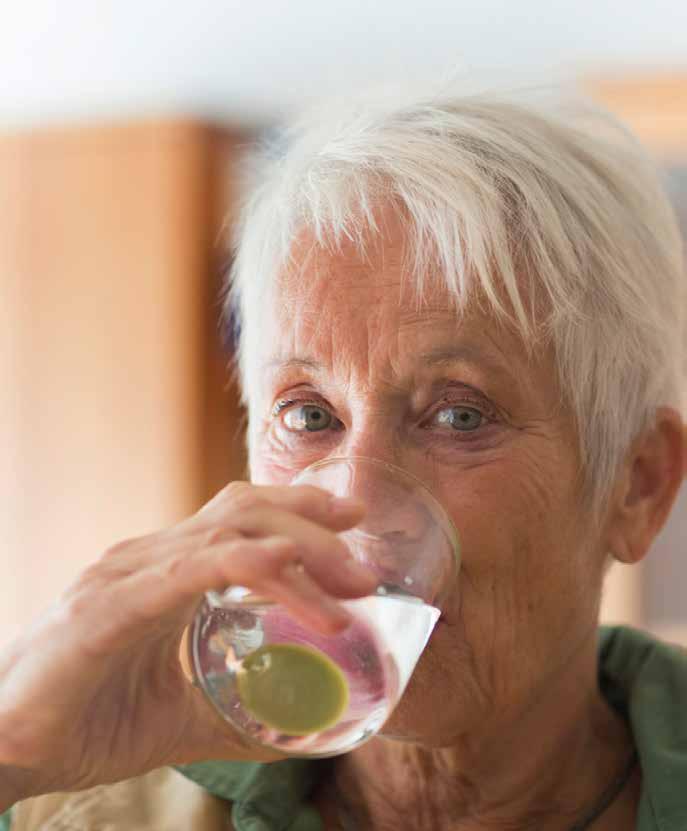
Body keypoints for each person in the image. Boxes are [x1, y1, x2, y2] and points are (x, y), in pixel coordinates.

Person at [1, 84, 686, 831]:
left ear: (636, 485)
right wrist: (16, 750)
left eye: (459, 415)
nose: (356, 505)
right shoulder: (82, 808)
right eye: (308, 415)